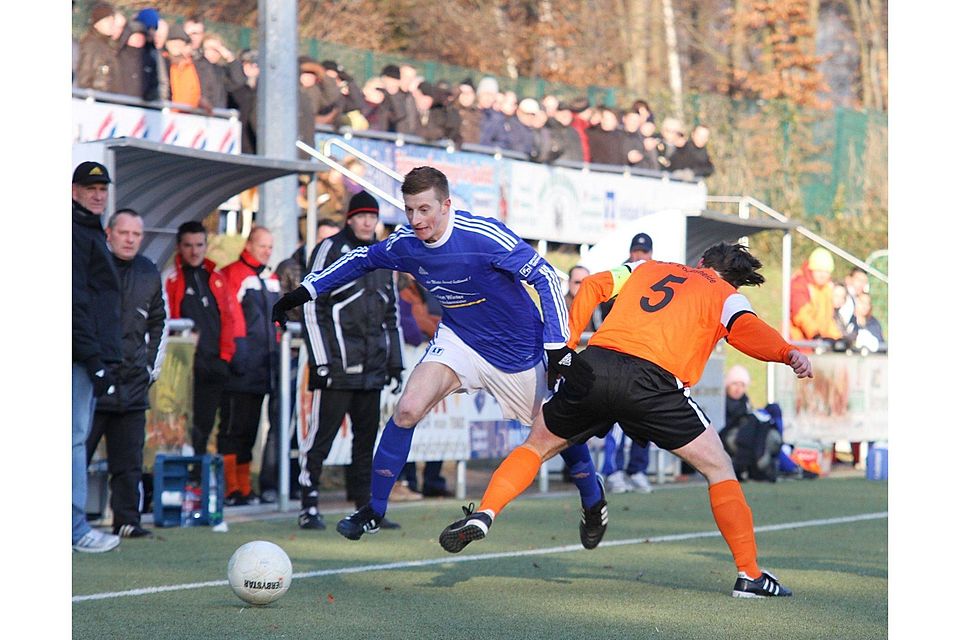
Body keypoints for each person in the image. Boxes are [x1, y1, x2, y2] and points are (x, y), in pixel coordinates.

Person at [439, 242, 813, 599]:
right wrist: (787, 353)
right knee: (719, 469)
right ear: (734, 277)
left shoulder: (647, 267)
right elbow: (747, 331)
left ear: (700, 261)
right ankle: (749, 575)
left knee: (535, 447)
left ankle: (486, 512)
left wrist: (567, 346)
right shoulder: (725, 293)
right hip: (654, 385)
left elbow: (593, 285)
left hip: (596, 367)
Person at [273, 167, 607, 548]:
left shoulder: (481, 236)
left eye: (425, 210)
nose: (416, 220)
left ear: (446, 205)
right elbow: (362, 259)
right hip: (460, 339)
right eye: (410, 210)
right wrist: (306, 291)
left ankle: (592, 498)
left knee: (555, 433)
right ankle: (374, 510)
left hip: (518, 351)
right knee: (407, 410)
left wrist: (556, 346)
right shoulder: (406, 243)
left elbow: (546, 277)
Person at [293, 192, 404, 530]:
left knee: (365, 440)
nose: (368, 221)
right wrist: (323, 362)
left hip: (372, 370)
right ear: (350, 219)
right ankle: (308, 507)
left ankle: (364, 507)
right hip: (337, 368)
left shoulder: (384, 255)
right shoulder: (330, 249)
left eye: (373, 216)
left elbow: (391, 313)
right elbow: (311, 304)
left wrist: (395, 363)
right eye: (362, 216)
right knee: (320, 438)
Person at [86, 209, 168, 538]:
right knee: (76, 454)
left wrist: (149, 366)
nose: (130, 239)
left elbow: (158, 321)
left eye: (136, 234)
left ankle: (127, 521)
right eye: (124, 233)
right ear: (110, 233)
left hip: (133, 381)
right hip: (92, 382)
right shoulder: (91, 266)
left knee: (130, 460)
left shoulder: (149, 271)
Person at [72, 161, 122, 553]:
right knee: (72, 440)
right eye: (90, 188)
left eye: (102, 187)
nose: (98, 193)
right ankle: (74, 527)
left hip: (85, 352)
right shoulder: (76, 233)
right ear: (74, 191)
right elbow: (76, 303)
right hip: (77, 354)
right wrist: (94, 359)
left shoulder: (88, 232)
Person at [163, 221, 240, 458]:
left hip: (214, 364)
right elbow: (166, 319)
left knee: (206, 426)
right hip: (183, 367)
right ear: (179, 247)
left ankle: (197, 480)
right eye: (188, 245)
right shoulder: (170, 278)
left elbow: (228, 318)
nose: (194, 251)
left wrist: (225, 357)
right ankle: (179, 479)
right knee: (180, 427)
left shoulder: (216, 277)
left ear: (206, 246)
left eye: (199, 245)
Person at [219, 227, 281, 506]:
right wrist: (237, 354)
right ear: (249, 244)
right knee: (234, 429)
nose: (267, 251)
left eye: (270, 247)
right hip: (241, 365)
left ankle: (244, 487)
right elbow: (230, 317)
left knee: (251, 430)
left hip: (264, 367)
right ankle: (229, 488)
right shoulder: (234, 274)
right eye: (262, 246)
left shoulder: (271, 278)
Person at [789, 247, 842, 344]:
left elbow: (828, 320)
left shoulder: (826, 288)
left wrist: (837, 338)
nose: (823, 275)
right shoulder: (800, 284)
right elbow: (801, 315)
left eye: (826, 272)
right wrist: (815, 334)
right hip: (799, 343)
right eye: (819, 271)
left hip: (817, 343)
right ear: (811, 269)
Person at [76, 2, 119, 92]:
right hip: (99, 100)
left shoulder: (108, 45)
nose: (111, 24)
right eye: (107, 21)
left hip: (109, 99)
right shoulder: (91, 45)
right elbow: (84, 78)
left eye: (112, 21)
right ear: (97, 23)